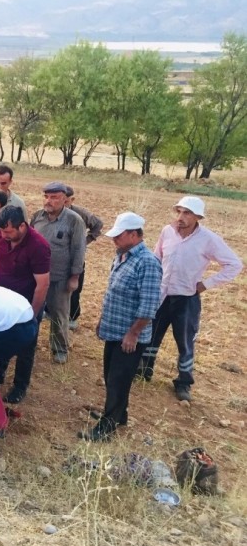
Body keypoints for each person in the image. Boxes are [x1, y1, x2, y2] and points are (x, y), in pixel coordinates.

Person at [139, 196, 242, 402]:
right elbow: (156, 257)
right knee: (152, 333)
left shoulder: (208, 239)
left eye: (187, 213)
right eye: (179, 211)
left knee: (185, 342)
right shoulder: (167, 232)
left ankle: (184, 382)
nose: (180, 217)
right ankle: (144, 371)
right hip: (162, 295)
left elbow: (234, 264)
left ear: (197, 217)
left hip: (186, 298)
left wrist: (205, 284)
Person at [80, 212, 162, 442]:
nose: (114, 239)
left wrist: (133, 334)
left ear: (134, 235)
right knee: (110, 376)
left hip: (129, 337)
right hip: (113, 329)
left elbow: (149, 306)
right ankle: (119, 414)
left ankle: (107, 426)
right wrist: (102, 321)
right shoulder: (122, 255)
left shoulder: (147, 263)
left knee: (118, 380)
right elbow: (113, 294)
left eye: (119, 235)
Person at [0, 206, 51, 404]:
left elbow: (42, 285)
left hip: (26, 304)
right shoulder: (2, 236)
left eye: (8, 231)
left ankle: (20, 386)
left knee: (26, 344)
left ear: (22, 226)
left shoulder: (39, 246)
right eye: (1, 231)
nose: (3, 235)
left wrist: (31, 315)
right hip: (3, 300)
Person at [29, 181, 86, 364]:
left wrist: (74, 277)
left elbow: (79, 250)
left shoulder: (74, 220)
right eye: (46, 196)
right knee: (32, 311)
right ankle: (28, 342)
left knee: (59, 314)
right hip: (36, 277)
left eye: (54, 197)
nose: (49, 201)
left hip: (60, 277)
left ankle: (59, 348)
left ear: (64, 199)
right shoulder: (37, 217)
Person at [64, 185, 103, 330]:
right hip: (57, 257)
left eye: (66, 200)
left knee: (74, 287)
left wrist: (86, 241)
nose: (63, 203)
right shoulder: (53, 213)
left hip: (75, 257)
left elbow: (98, 224)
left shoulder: (80, 213)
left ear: (71, 199)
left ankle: (73, 317)